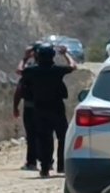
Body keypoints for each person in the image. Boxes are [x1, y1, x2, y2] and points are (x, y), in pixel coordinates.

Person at [17, 43, 77, 177]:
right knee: (63, 137)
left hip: (40, 108)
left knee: (44, 138)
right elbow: (73, 66)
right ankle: (62, 166)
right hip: (57, 107)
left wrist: (25, 58)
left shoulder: (33, 71)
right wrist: (66, 54)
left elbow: (19, 70)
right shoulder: (56, 70)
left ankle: (45, 168)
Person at [13, 44, 40, 171]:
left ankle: (31, 162)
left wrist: (25, 58)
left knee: (31, 135)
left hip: (31, 107)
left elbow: (19, 73)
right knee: (45, 134)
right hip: (48, 106)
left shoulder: (30, 70)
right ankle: (47, 161)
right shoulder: (51, 68)